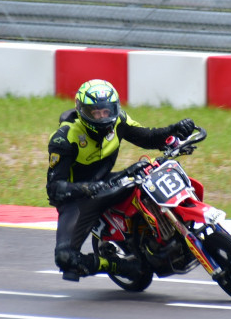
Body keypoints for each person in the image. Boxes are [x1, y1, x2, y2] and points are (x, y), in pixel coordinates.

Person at [47, 79, 196, 282]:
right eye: (95, 112)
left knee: (146, 174)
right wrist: (87, 188)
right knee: (65, 258)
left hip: (107, 181)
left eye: (106, 111)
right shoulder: (64, 139)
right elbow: (55, 189)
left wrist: (175, 130)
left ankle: (168, 231)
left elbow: (148, 137)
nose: (102, 117)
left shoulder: (118, 121)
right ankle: (119, 265)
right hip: (78, 197)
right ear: (82, 112)